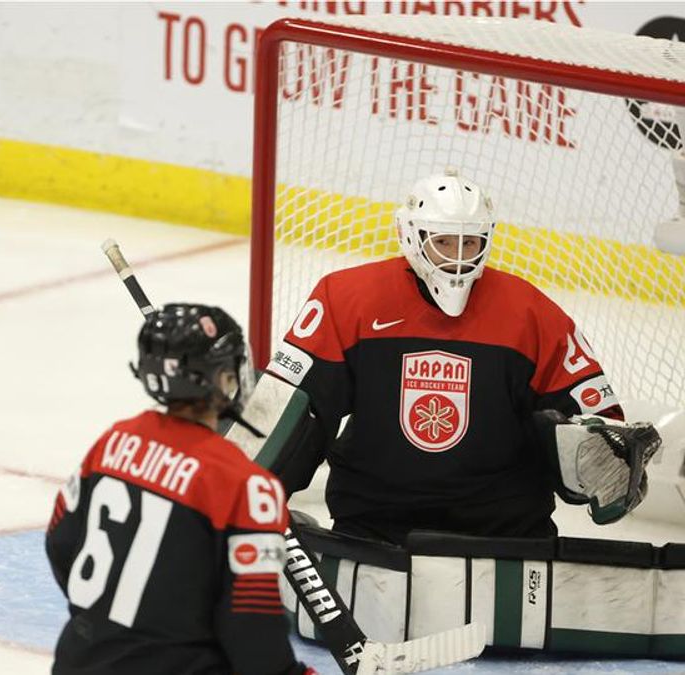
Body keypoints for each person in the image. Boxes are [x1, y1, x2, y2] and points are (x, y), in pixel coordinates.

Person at [261, 168, 657, 546]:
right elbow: (290, 406)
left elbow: (601, 422)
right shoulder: (345, 300)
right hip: (375, 526)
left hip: (507, 533)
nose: (457, 257)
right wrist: (249, 491)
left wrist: (607, 453)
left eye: (469, 243)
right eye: (444, 242)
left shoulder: (531, 314)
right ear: (411, 235)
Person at [46, 303, 314, 675]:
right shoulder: (248, 485)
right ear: (224, 378)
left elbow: (60, 542)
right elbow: (252, 626)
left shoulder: (112, 443)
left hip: (80, 659)